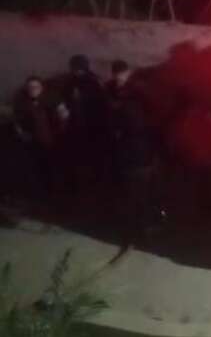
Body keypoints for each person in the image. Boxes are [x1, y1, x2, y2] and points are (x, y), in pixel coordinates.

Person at [107, 60, 163, 239]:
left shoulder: (138, 92)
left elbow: (153, 115)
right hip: (127, 150)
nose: (119, 76)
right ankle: (140, 223)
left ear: (128, 72)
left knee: (144, 189)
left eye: (122, 72)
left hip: (141, 151)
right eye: (116, 73)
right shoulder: (112, 90)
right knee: (132, 189)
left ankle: (149, 223)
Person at [59, 54, 107, 194]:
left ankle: (97, 181)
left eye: (79, 69)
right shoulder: (70, 82)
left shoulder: (94, 81)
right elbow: (65, 99)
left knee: (95, 155)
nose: (77, 71)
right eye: (75, 69)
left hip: (93, 125)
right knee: (78, 155)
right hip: (76, 124)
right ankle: (79, 184)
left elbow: (101, 103)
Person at [12, 76, 59, 203]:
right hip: (32, 143)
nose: (33, 90)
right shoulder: (22, 104)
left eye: (36, 87)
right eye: (30, 87)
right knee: (36, 168)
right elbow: (17, 122)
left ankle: (53, 193)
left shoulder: (50, 101)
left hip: (50, 141)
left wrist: (58, 134)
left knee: (50, 167)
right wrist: (22, 133)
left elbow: (61, 118)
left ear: (42, 88)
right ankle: (41, 194)